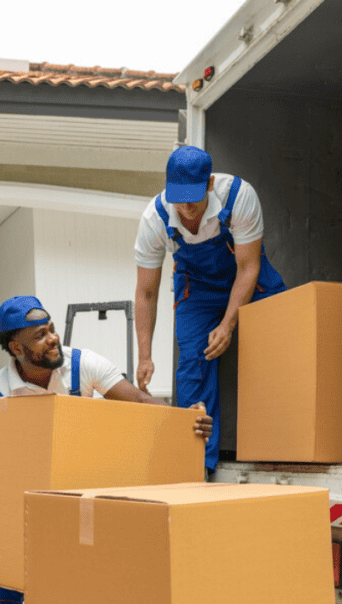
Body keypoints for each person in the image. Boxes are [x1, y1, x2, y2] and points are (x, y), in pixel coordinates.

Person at [0, 294, 212, 604]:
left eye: (52, 328)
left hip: (80, 503)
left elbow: (136, 400)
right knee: (3, 599)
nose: (52, 338)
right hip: (26, 505)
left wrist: (183, 420)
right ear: (17, 348)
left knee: (88, 602)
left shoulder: (82, 364)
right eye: (40, 335)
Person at [134, 145, 286, 478]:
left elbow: (248, 267)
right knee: (193, 362)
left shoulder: (239, 197)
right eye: (178, 198)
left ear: (209, 184)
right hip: (197, 288)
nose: (186, 208)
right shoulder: (154, 218)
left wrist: (228, 325)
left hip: (244, 275)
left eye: (193, 197)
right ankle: (197, 465)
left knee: (283, 334)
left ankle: (283, 446)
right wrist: (144, 356)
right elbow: (146, 293)